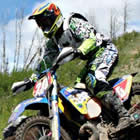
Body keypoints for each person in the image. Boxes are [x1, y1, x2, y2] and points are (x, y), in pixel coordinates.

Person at [12, 2, 133, 132]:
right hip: (92, 60)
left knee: (94, 79)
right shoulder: (53, 41)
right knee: (78, 92)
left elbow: (91, 38)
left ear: (55, 16)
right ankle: (102, 121)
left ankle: (125, 116)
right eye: (41, 23)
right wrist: (32, 80)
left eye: (46, 21)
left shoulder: (72, 22)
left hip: (105, 50)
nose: (44, 26)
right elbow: (45, 63)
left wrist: (79, 50)